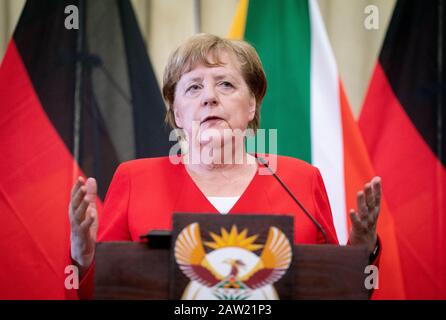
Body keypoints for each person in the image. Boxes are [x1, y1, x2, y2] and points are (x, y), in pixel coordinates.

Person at [69, 34, 381, 298]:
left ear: (251, 106)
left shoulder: (300, 180)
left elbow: (335, 290)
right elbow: (104, 291)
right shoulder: (135, 179)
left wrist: (360, 250)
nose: (209, 98)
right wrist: (84, 258)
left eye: (226, 85)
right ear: (177, 113)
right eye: (193, 87)